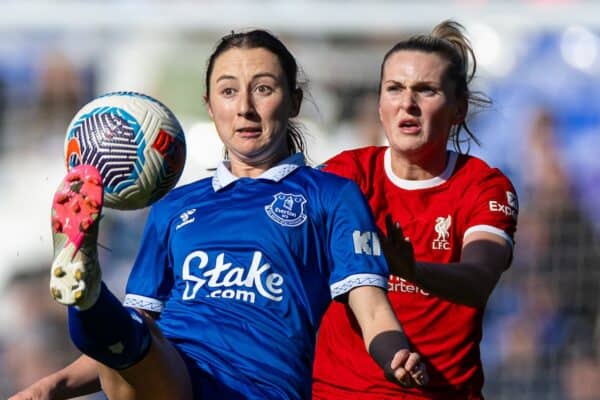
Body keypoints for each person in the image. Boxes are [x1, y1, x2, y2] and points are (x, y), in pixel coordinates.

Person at [10, 29, 427, 400]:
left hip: (257, 385)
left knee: (133, 341)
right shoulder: (175, 206)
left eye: (263, 89)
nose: (245, 107)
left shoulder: (330, 196)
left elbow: (370, 307)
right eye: (228, 92)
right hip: (172, 370)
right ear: (210, 106)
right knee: (136, 335)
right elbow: (129, 339)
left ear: (294, 100)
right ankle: (85, 290)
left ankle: (88, 296)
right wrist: (52, 386)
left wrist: (395, 354)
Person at [312, 20, 518, 399]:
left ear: (458, 109)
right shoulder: (345, 175)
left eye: (425, 91)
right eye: (395, 89)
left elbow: (477, 279)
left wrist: (412, 271)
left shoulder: (483, 187)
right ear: (379, 104)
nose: (407, 103)